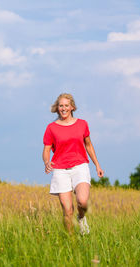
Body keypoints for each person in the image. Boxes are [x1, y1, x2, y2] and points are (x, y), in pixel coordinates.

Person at [42, 93, 104, 235]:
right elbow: (46, 150)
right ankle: (71, 241)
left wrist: (97, 165)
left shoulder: (82, 124)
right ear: (57, 108)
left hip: (80, 166)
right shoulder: (51, 128)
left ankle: (81, 218)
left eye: (66, 105)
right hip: (60, 170)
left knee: (82, 201)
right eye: (61, 106)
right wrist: (46, 162)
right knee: (67, 210)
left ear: (72, 107)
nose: (63, 108)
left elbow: (88, 145)